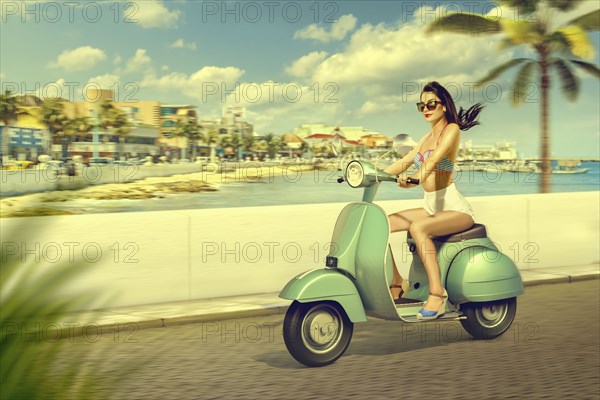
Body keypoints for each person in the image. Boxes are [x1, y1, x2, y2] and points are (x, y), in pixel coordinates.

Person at [384, 81, 483, 320]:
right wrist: (368, 174)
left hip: (454, 209)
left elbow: (434, 161)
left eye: (431, 104)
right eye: (421, 105)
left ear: (444, 106)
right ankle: (397, 282)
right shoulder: (425, 138)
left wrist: (416, 179)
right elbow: (405, 161)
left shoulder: (451, 130)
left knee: (418, 228)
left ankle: (437, 294)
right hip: (431, 206)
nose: (426, 109)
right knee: (378, 224)